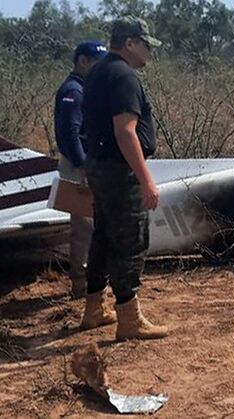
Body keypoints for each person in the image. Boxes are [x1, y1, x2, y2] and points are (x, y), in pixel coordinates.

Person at [81, 16, 167, 341]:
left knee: (103, 235)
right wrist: (146, 180)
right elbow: (126, 131)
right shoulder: (124, 76)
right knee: (130, 241)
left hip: (99, 166)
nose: (150, 52)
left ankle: (94, 308)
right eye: (146, 45)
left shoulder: (98, 72)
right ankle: (129, 319)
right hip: (120, 171)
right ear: (129, 43)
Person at [54, 40, 108, 299]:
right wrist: (84, 167)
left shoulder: (84, 89)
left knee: (90, 223)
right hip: (79, 166)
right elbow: (70, 135)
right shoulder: (73, 92)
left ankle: (89, 281)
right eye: (97, 62)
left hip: (86, 163)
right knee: (84, 225)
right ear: (82, 61)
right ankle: (81, 284)